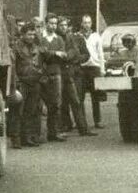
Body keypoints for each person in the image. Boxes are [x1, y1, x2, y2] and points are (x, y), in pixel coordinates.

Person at [57, 16, 96, 136]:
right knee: (62, 101)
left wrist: (76, 59)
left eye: (66, 26)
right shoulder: (57, 39)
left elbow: (86, 55)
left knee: (77, 100)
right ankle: (65, 125)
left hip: (76, 72)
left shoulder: (76, 38)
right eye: (61, 25)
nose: (64, 28)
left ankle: (83, 128)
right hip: (61, 72)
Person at [12, 22, 44, 148]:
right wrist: (15, 82)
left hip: (35, 81)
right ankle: (16, 138)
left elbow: (41, 60)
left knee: (30, 111)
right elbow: (13, 65)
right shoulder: (16, 47)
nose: (32, 37)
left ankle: (27, 137)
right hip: (22, 82)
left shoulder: (36, 46)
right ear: (23, 34)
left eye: (33, 34)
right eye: (29, 34)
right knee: (18, 111)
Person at [40, 13, 68, 142]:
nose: (53, 26)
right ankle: (40, 133)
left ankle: (54, 132)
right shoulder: (41, 38)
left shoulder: (59, 39)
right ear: (46, 23)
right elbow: (42, 53)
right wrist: (55, 53)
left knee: (56, 104)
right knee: (40, 103)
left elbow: (63, 55)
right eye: (51, 23)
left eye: (55, 23)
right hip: (43, 74)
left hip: (56, 73)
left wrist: (50, 54)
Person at [79, 14, 105, 129]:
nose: (87, 25)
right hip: (82, 68)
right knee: (80, 97)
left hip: (94, 68)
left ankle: (97, 121)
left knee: (96, 97)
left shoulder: (96, 36)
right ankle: (82, 121)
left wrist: (102, 70)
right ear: (81, 23)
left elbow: (101, 54)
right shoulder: (78, 36)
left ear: (91, 24)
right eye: (85, 22)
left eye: (89, 22)